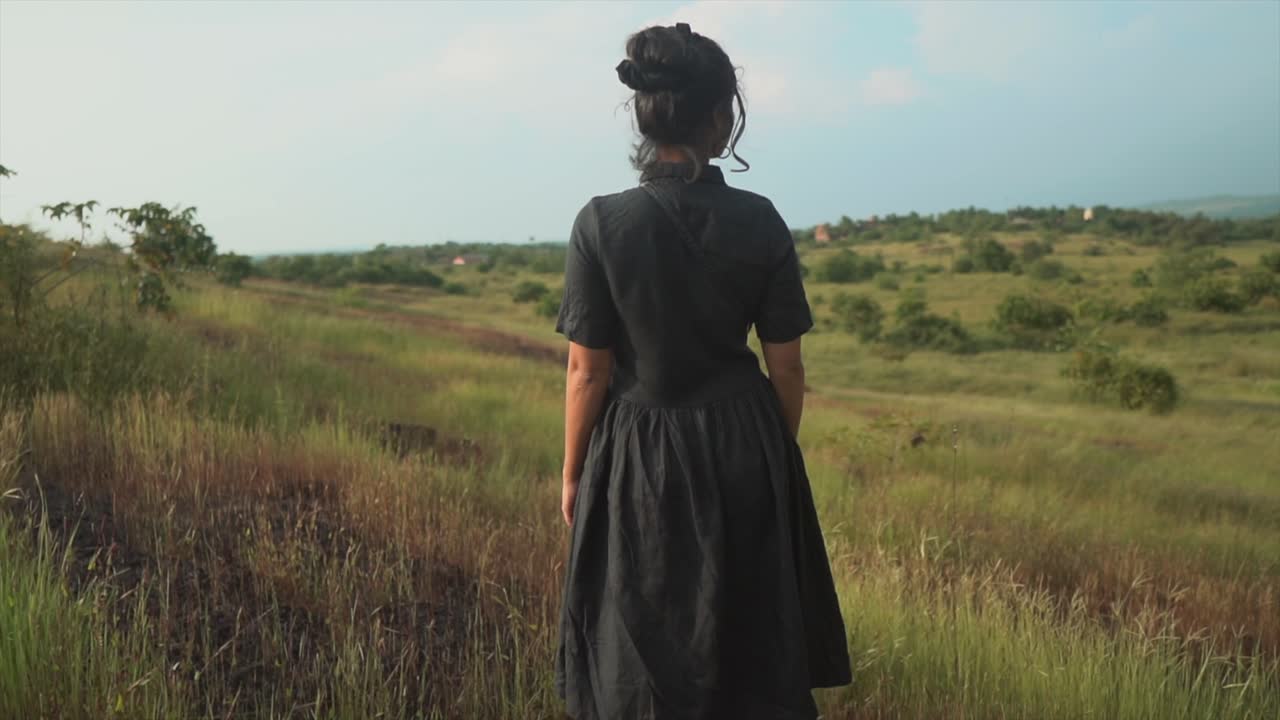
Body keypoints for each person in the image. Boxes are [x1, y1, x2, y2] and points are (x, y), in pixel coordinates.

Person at [554, 22, 852, 720]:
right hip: (746, 440)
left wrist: (573, 473)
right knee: (751, 636)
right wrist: (774, 450)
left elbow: (586, 373)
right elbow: (787, 365)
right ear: (721, 117)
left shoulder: (601, 224)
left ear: (645, 113)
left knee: (637, 629)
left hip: (637, 451)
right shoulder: (761, 220)